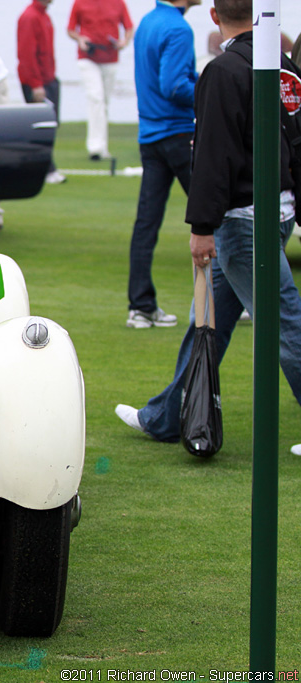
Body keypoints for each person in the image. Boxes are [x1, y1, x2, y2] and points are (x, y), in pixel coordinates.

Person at [115, 0, 301, 455]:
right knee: (208, 323)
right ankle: (168, 415)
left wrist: (201, 226)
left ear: (214, 18)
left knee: (283, 320)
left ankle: (167, 415)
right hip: (277, 208)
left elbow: (215, 155)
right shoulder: (284, 66)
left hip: (242, 220)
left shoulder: (222, 72)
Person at [124, 0, 200, 330]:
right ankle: (238, 298)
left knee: (147, 223)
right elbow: (174, 85)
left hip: (151, 136)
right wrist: (213, 90)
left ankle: (140, 306)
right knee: (217, 215)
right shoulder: (178, 28)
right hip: (179, 134)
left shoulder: (148, 22)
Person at [67, 0, 133, 161]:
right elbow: (71, 30)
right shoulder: (80, 3)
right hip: (88, 57)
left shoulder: (118, 3)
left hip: (110, 57)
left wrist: (124, 41)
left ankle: (102, 146)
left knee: (104, 102)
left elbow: (129, 28)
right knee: (95, 97)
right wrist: (80, 39)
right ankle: (95, 147)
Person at [17, 0, 64, 185]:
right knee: (42, 127)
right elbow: (26, 53)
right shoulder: (30, 17)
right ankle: (47, 169)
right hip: (37, 82)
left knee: (51, 124)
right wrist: (36, 84)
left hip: (49, 78)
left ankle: (45, 168)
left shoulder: (43, 15)